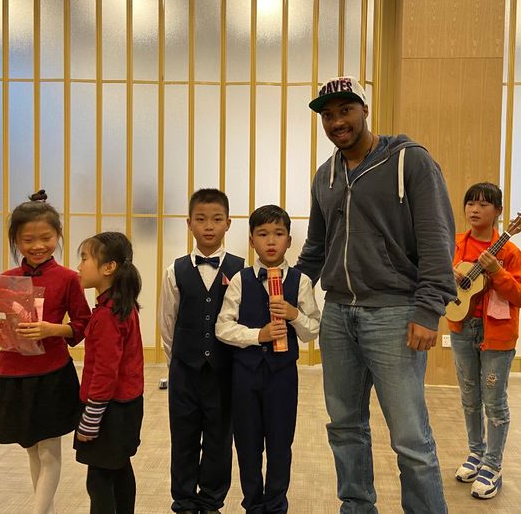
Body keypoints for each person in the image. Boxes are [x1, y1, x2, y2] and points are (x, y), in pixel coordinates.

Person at [297, 76, 457, 513]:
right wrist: (285, 289)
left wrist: (428, 310)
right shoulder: (326, 175)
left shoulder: (410, 160)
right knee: (344, 427)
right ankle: (356, 507)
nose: (337, 122)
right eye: (328, 115)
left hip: (394, 314)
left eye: (345, 111)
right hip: (337, 315)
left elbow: (437, 240)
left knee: (410, 437)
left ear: (364, 110)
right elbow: (316, 249)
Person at [0, 190, 91, 514]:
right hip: (12, 373)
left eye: (46, 238)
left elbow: (83, 325)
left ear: (58, 236)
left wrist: (52, 329)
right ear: (16, 241)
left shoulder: (69, 279)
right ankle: (45, 510)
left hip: (52, 372)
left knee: (49, 450)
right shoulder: (6, 280)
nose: (38, 246)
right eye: (28, 240)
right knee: (32, 449)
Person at [216, 205, 320, 514]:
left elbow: (313, 330)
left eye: (278, 234)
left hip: (283, 375)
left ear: (289, 241)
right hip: (245, 375)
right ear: (251, 241)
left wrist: (295, 314)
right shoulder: (239, 279)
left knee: (280, 444)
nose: (271, 241)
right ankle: (252, 504)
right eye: (262, 234)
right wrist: (257, 335)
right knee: (247, 444)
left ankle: (276, 505)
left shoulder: (301, 281)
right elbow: (222, 327)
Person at [159, 188, 245, 514]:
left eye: (217, 219)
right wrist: (178, 362)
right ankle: (183, 500)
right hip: (185, 371)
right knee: (183, 436)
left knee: (219, 439)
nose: (209, 226)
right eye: (201, 219)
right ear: (189, 223)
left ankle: (211, 500)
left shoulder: (241, 270)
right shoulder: (175, 270)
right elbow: (168, 322)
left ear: (228, 224)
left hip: (225, 371)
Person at [447, 182, 521, 499]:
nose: (475, 209)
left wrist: (497, 272)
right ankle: (476, 452)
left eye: (484, 204)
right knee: (469, 397)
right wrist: (449, 274)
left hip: (497, 335)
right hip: (461, 327)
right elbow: (433, 276)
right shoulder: (454, 244)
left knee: (494, 401)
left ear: (498, 211)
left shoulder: (509, 252)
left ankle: (493, 465)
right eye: (470, 203)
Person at [74, 232, 144, 514]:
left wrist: (91, 418)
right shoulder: (122, 305)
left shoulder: (107, 314)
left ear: (108, 267)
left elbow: (105, 371)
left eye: (84, 259)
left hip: (108, 410)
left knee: (99, 479)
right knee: (119, 469)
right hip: (126, 407)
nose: (79, 266)